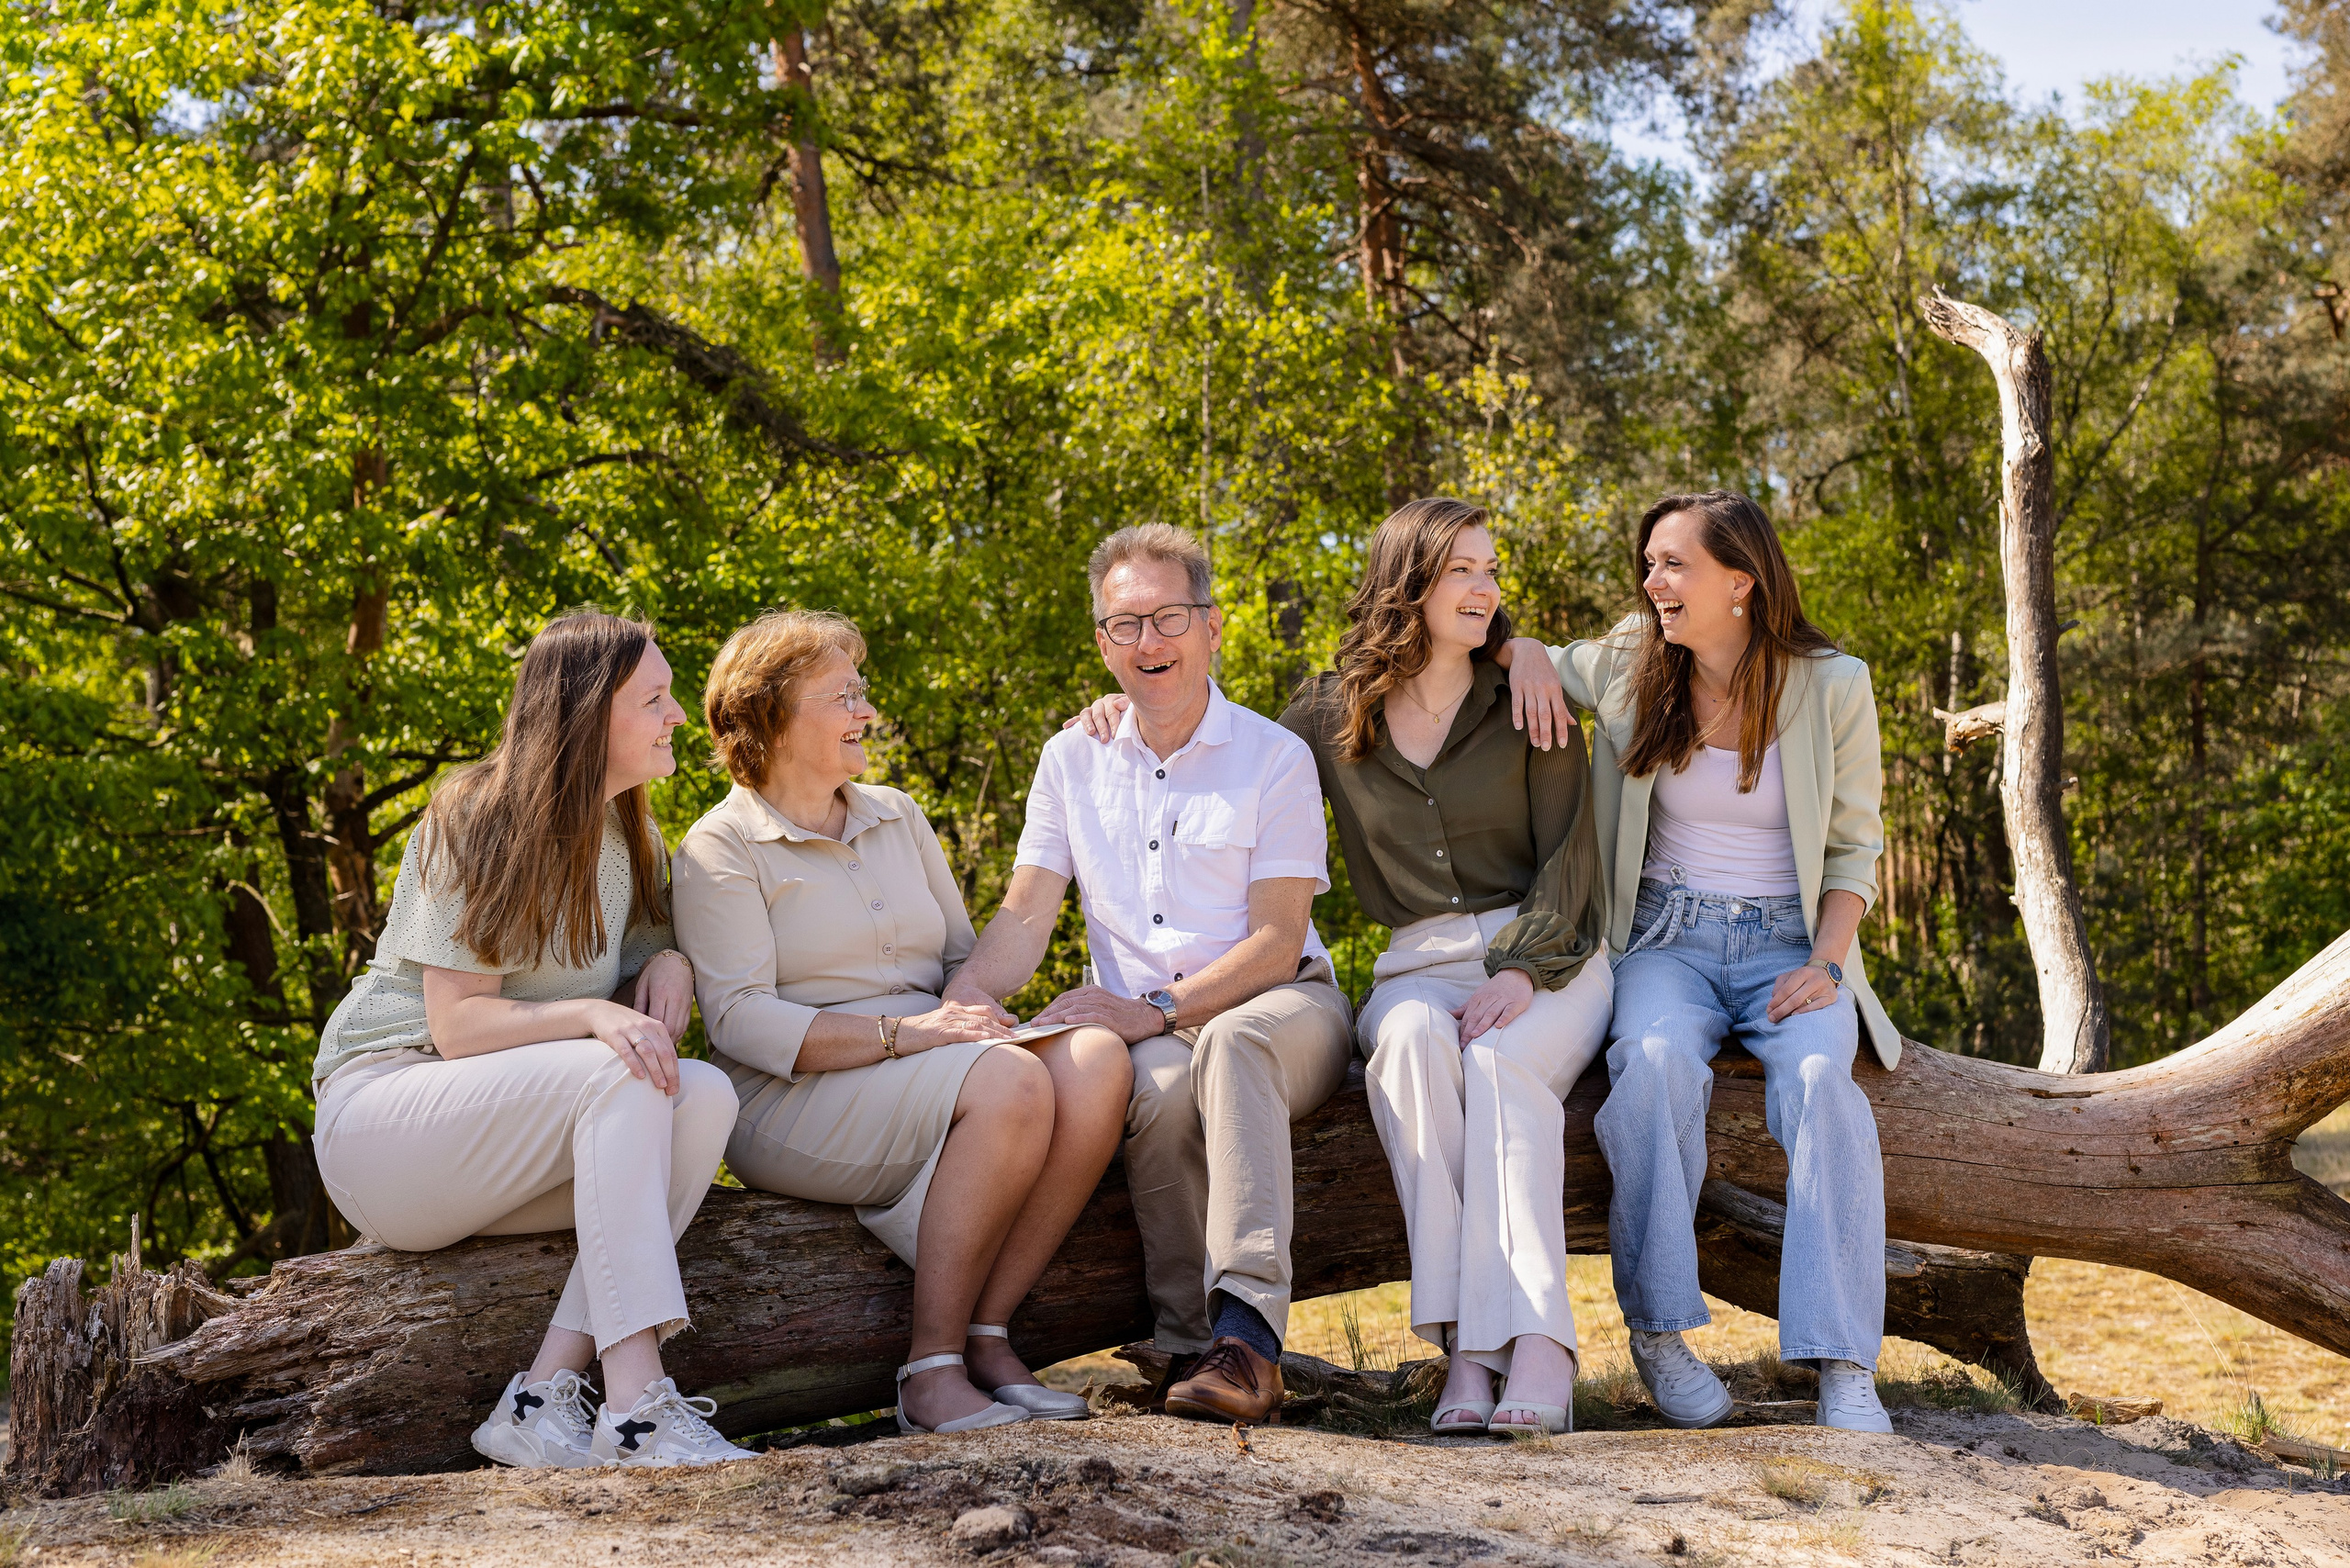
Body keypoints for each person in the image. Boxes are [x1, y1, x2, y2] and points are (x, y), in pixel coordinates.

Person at [1494, 489, 1898, 1435]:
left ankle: (1843, 1361)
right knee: (1651, 1068)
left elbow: (1854, 847)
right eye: (1648, 563)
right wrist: (1525, 651)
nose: (1652, 581)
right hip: (1662, 941)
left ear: (1741, 582)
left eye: (1673, 563)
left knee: (1822, 1084)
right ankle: (1660, 1333)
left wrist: (1828, 963)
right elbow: (1523, 653)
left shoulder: (1833, 685)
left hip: (1790, 944)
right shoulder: (1631, 666)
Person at [671, 610, 1133, 1437]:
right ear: (772, 714)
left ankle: (988, 1336)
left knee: (1096, 1059)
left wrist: (989, 1013)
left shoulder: (898, 813)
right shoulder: (720, 846)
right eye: (844, 696)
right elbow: (739, 1022)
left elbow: (959, 960)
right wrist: (911, 1037)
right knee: (1012, 1081)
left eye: (863, 691)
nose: (868, 711)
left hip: (936, 1058)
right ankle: (930, 1371)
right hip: (792, 1096)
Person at [311, 610, 753, 1471]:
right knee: (621, 1069)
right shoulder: (474, 817)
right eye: (655, 699)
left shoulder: (629, 832)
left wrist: (670, 963)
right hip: (386, 1124)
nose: (677, 716)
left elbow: (644, 952)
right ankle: (638, 1410)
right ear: (588, 714)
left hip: (503, 1153)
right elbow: (458, 1025)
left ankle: (538, 1399)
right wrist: (595, 1015)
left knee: (702, 1095)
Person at [943, 523, 1354, 1426]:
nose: (1149, 641)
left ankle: (1248, 1339)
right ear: (1102, 643)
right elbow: (1024, 916)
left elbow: (1276, 940)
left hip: (1282, 1004)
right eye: (1125, 624)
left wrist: (1157, 1008)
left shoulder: (1273, 757)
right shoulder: (1071, 760)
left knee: (1230, 1046)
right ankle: (1186, 1351)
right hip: (1153, 1028)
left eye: (1169, 617)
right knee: (1159, 1095)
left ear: (1212, 627)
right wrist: (965, 998)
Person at [1282, 498, 1614, 1436]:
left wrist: (1520, 969)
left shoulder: (1526, 698)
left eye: (1491, 570)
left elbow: (1571, 859)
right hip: (1414, 964)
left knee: (1501, 1065)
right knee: (1408, 1048)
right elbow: (1225, 761)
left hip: (1548, 952)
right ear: (1410, 581)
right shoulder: (1326, 712)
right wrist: (1128, 709)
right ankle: (1467, 1343)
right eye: (1462, 569)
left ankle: (1538, 1343)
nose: (1486, 587)